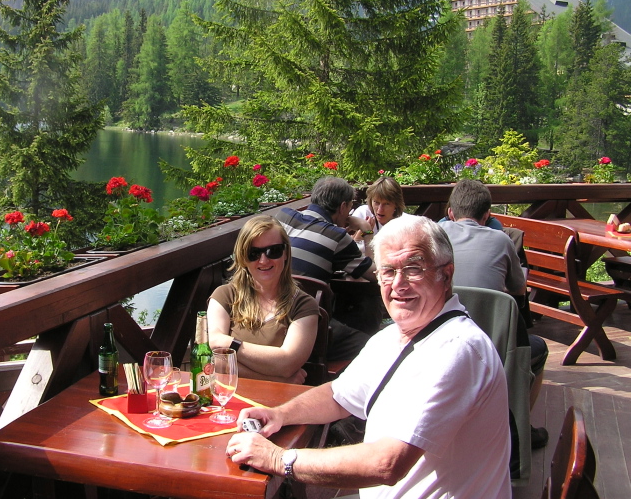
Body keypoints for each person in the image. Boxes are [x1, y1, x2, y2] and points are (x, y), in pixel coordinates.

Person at [225, 217, 511, 499]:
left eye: (413, 268)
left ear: (445, 275)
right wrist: (280, 414)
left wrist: (279, 459)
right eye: (387, 271)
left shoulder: (458, 348)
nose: (398, 284)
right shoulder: (393, 336)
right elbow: (339, 395)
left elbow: (387, 463)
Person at [438, 178, 549, 449]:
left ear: (451, 212)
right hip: (493, 346)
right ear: (487, 215)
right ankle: (520, 429)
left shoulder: (436, 237)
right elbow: (518, 290)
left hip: (438, 341)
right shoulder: (501, 240)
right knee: (539, 348)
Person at [206, 215, 319, 385]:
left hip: (278, 406)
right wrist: (274, 378)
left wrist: (228, 343)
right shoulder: (224, 296)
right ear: (243, 258)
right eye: (253, 254)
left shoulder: (303, 305)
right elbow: (214, 361)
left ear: (286, 253)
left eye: (273, 251)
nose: (264, 260)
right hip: (229, 401)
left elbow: (287, 364)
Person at [275, 177, 373, 361]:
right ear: (343, 207)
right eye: (350, 207)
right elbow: (375, 273)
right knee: (369, 344)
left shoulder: (282, 217)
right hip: (309, 328)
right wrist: (367, 231)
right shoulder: (337, 236)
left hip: (267, 317)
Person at [350, 176, 406, 240]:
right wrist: (367, 231)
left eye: (386, 204)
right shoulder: (363, 213)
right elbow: (353, 245)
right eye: (376, 202)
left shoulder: (405, 224)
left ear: (396, 204)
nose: (380, 209)